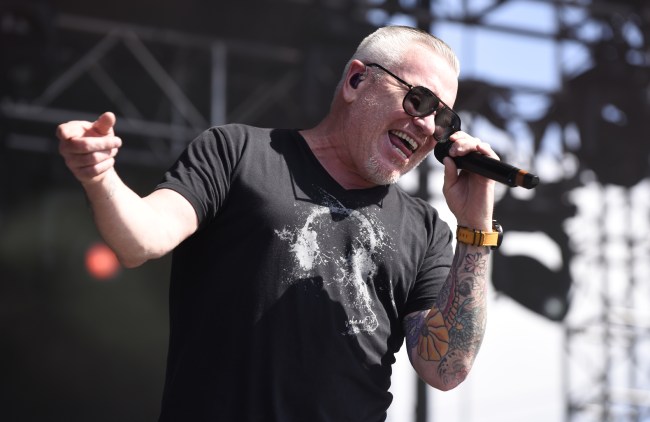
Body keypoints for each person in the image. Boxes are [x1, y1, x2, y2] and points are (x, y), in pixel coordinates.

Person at [56, 25, 498, 422]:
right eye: (418, 100)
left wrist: (476, 230)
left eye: (444, 119)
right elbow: (141, 239)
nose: (427, 127)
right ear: (356, 80)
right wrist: (100, 177)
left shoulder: (425, 230)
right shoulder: (238, 153)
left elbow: (446, 368)